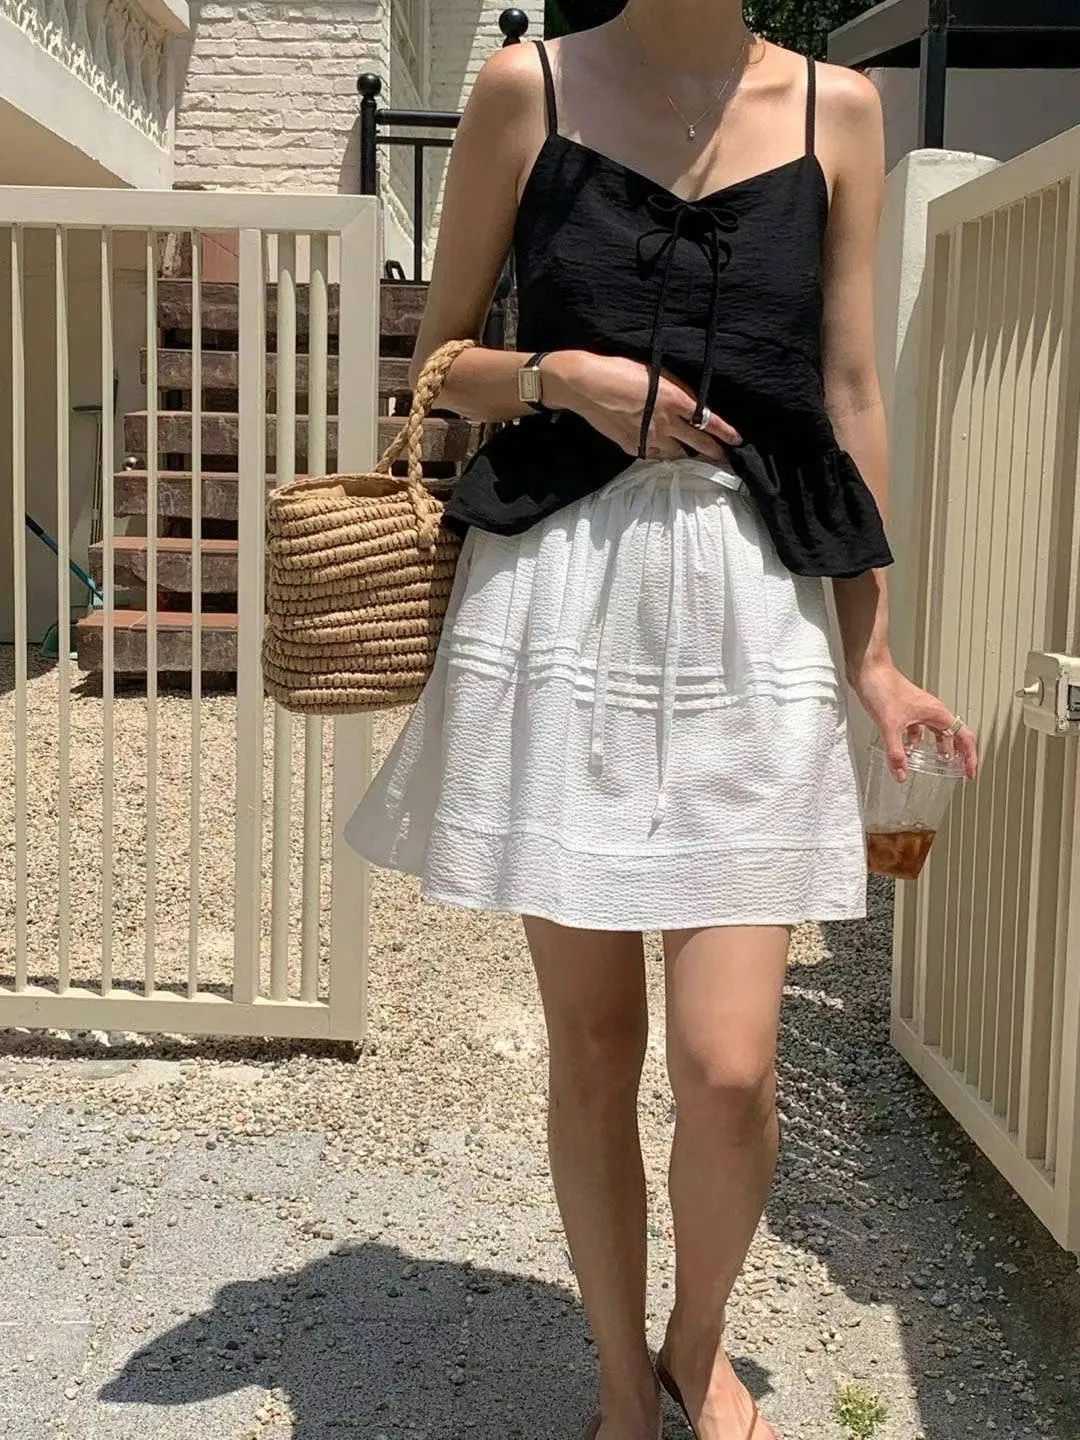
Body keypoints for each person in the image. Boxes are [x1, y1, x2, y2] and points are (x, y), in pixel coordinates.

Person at [346, 4, 979, 1437]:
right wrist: (561, 377)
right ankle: (623, 1383)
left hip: (755, 611)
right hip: (561, 606)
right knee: (591, 1049)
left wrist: (874, 650)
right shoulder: (525, 87)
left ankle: (699, 1343)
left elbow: (850, 391)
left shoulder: (838, 109)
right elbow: (439, 365)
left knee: (730, 1067)